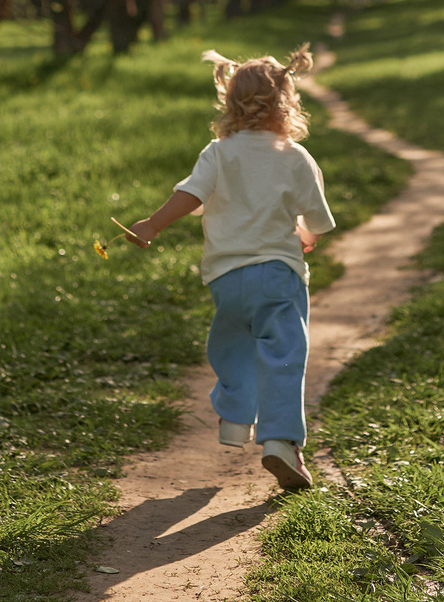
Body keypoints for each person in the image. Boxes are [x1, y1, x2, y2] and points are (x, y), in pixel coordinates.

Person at [122, 45, 338, 492]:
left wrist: (152, 224)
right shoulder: (295, 156)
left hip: (226, 278)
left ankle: (235, 421)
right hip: (278, 273)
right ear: (288, 102)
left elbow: (190, 195)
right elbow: (316, 218)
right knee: (283, 353)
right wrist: (307, 234)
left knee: (233, 344)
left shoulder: (218, 153)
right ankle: (279, 441)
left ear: (229, 102)